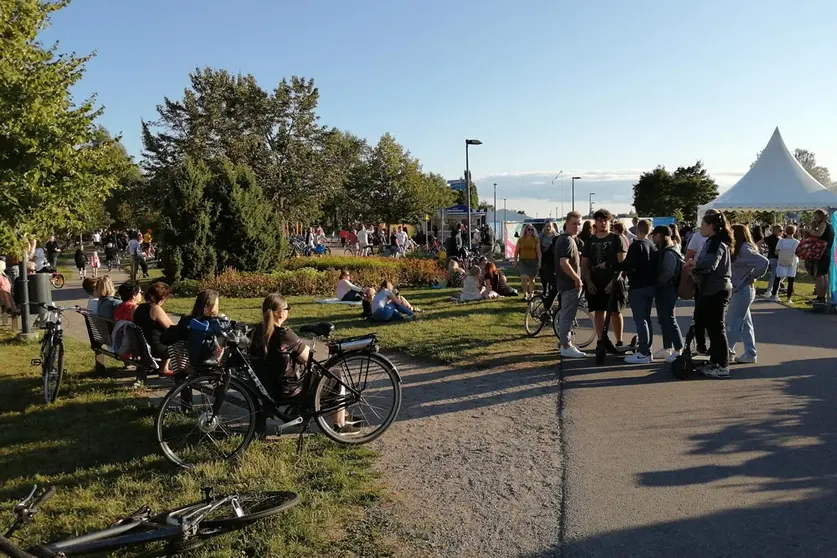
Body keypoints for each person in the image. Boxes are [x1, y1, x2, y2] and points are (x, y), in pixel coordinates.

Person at [250, 293, 358, 434]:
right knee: (334, 374)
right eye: (288, 308)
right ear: (281, 313)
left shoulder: (256, 331)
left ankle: (344, 414)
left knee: (321, 377)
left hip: (268, 387)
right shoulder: (285, 335)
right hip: (289, 390)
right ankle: (340, 424)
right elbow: (307, 358)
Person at [685, 212, 733, 379]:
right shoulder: (711, 242)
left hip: (717, 289)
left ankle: (722, 365)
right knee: (712, 328)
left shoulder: (716, 243)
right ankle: (715, 361)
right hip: (711, 288)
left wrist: (695, 263)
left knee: (717, 328)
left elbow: (710, 264)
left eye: (703, 225)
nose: (701, 228)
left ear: (711, 226)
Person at [613, 219, 657, 363]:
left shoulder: (636, 245)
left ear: (638, 230)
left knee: (640, 319)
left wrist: (610, 264)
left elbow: (627, 264)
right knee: (646, 318)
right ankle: (647, 350)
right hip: (650, 285)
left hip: (638, 286)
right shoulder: (652, 245)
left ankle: (644, 352)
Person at [582, 209, 627, 347]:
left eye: (605, 220)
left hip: (613, 281)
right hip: (596, 282)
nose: (602, 223)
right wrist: (588, 282)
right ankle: (601, 340)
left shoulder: (616, 238)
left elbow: (622, 263)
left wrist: (613, 282)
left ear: (610, 222)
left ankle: (619, 341)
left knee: (615, 312)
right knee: (598, 312)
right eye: (600, 220)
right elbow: (584, 263)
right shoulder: (590, 240)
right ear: (595, 222)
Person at [727, 224, 769, 364]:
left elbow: (763, 262)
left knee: (733, 322)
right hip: (741, 288)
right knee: (745, 323)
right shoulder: (741, 248)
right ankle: (750, 353)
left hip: (742, 288)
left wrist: (752, 276)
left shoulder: (744, 248)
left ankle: (728, 351)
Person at [686, 208, 720, 355]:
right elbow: (689, 255)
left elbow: (712, 263)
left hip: (715, 281)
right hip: (701, 280)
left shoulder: (719, 240)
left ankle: (716, 350)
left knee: (715, 320)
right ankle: (701, 345)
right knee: (699, 315)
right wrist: (692, 271)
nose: (702, 226)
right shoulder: (698, 237)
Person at [553, 211, 586, 358]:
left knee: (568, 315)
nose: (577, 226)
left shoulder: (569, 240)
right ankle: (565, 345)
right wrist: (576, 278)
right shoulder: (566, 240)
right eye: (574, 223)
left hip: (568, 283)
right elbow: (563, 262)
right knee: (567, 315)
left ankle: (566, 343)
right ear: (566, 223)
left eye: (579, 224)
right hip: (569, 284)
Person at [652, 225, 684, 363]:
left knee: (669, 319)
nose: (653, 237)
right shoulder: (670, 249)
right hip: (666, 288)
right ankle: (667, 348)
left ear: (661, 235)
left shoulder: (669, 252)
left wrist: (658, 282)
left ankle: (678, 349)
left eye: (655, 235)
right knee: (664, 319)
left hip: (667, 289)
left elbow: (668, 272)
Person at [134, 282, 175, 375]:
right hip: (156, 347)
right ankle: (165, 368)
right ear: (162, 298)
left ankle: (162, 367)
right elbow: (170, 327)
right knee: (178, 340)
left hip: (142, 345)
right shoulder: (155, 308)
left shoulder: (138, 308)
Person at [807, 209, 833, 304]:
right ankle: (822, 296)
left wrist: (809, 230)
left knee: (819, 275)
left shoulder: (823, 224)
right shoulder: (829, 225)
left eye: (816, 216)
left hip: (821, 252)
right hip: (827, 252)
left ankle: (820, 297)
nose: (815, 218)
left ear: (821, 216)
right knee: (824, 275)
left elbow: (819, 234)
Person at [515, 225, 541, 300]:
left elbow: (538, 251)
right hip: (523, 261)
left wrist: (539, 262)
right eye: (529, 229)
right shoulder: (521, 240)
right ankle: (525, 293)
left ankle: (531, 294)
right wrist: (515, 261)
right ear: (525, 230)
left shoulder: (536, 239)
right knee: (523, 277)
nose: (530, 231)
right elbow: (516, 251)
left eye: (532, 230)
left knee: (531, 279)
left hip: (533, 261)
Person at [539, 222, 559, 310]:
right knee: (545, 276)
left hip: (554, 260)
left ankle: (550, 295)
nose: (548, 228)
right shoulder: (541, 236)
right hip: (545, 259)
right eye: (546, 226)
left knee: (554, 282)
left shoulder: (557, 236)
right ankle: (545, 291)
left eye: (549, 226)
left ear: (552, 227)